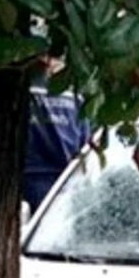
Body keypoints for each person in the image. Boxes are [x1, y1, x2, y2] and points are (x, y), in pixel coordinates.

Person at [23, 56, 91, 213]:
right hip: (68, 186)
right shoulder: (74, 97)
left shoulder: (21, 93)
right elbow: (85, 145)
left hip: (27, 184)